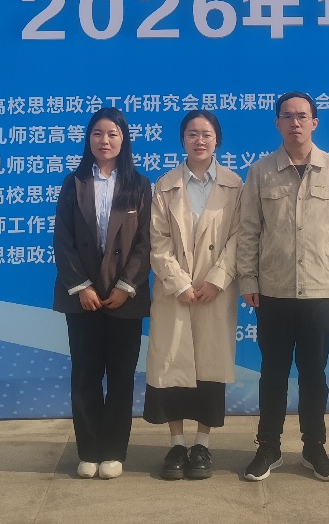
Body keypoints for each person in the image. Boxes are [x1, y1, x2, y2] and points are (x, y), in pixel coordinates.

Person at [236, 91, 329, 482]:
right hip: (273, 289)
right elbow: (249, 230)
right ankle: (268, 447)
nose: (295, 122)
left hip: (320, 289)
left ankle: (314, 448)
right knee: (272, 373)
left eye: (302, 116)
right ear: (277, 123)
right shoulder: (260, 171)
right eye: (287, 116)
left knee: (314, 374)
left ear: (314, 122)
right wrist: (248, 278)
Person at [52, 107, 152, 480]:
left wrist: (127, 286)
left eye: (112, 134)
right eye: (97, 133)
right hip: (83, 298)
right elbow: (63, 240)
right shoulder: (74, 182)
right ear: (88, 139)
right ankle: (89, 449)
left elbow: (146, 243)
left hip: (125, 298)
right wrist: (81, 286)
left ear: (123, 140)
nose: (104, 140)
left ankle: (113, 450)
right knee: (85, 375)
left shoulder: (139, 185)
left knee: (121, 376)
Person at [143, 111, 243, 481]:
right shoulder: (165, 185)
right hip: (175, 292)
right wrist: (179, 283)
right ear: (182, 140)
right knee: (173, 366)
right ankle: (176, 443)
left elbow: (240, 237)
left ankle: (202, 443)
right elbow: (157, 241)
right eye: (191, 134)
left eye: (206, 134)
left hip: (215, 292)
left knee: (209, 369)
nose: (199, 141)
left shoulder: (235, 185)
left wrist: (218, 279)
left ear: (218, 140)